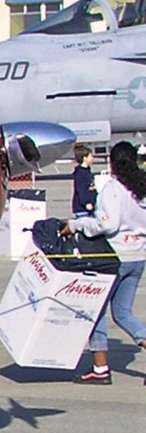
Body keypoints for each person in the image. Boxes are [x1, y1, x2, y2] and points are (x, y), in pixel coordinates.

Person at [69, 140, 146, 384]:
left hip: (114, 258)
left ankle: (100, 368)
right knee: (123, 313)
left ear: (112, 163)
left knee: (96, 312)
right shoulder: (142, 189)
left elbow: (107, 224)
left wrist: (76, 225)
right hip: (138, 256)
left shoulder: (113, 188)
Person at [71, 144, 97, 217]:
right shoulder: (80, 173)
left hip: (91, 207)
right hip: (82, 209)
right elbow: (81, 189)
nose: (92, 158)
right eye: (90, 156)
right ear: (85, 158)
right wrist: (87, 202)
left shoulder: (87, 171)